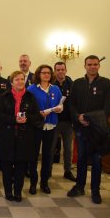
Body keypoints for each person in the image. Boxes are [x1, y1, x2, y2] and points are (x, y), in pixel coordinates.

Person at [67, 55, 110, 204]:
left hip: (98, 130)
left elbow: (108, 107)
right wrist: (78, 117)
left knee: (96, 160)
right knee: (81, 158)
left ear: (99, 66)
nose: (92, 67)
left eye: (95, 64)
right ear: (85, 66)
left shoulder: (106, 83)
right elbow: (71, 104)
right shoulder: (77, 83)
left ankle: (95, 191)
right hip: (81, 128)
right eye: (89, 64)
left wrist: (90, 119)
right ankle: (79, 186)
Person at [0, 71, 42, 202]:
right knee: (7, 168)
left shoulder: (30, 97)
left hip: (25, 137)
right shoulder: (3, 96)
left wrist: (26, 118)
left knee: (21, 168)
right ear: (11, 82)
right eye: (17, 79)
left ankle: (17, 192)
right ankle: (8, 192)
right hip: (7, 137)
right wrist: (14, 120)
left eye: (22, 79)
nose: (20, 82)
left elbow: (37, 116)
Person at [27, 64, 62, 195]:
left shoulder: (56, 89)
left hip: (51, 126)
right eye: (43, 73)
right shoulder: (31, 89)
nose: (46, 75)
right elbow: (28, 108)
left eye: (48, 73)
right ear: (38, 74)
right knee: (33, 156)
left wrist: (59, 108)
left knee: (48, 156)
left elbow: (60, 105)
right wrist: (38, 114)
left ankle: (44, 183)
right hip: (36, 127)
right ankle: (33, 184)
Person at [51, 62, 76, 182]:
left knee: (68, 149)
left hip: (68, 122)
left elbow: (76, 102)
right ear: (54, 71)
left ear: (66, 70)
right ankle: (48, 170)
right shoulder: (50, 85)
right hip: (53, 121)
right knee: (50, 147)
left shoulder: (72, 85)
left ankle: (67, 171)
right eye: (58, 70)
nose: (60, 72)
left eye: (62, 69)